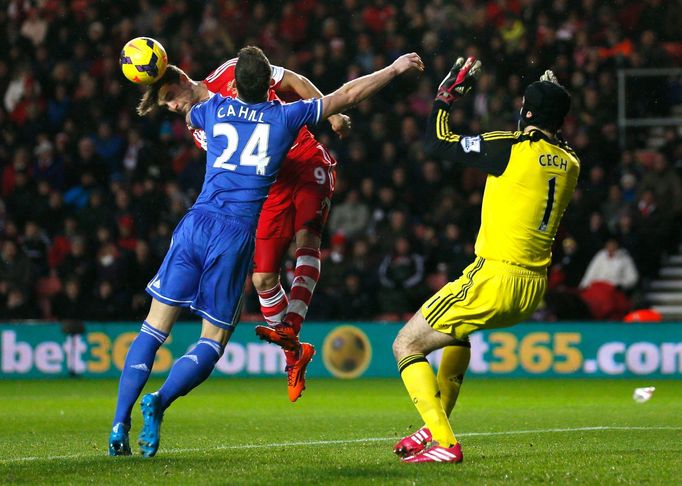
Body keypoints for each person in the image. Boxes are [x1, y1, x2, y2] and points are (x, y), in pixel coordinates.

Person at [108, 46, 424, 457]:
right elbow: (346, 94)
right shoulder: (283, 116)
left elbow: (192, 100)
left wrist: (159, 80)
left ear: (235, 85)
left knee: (153, 329)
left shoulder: (208, 112)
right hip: (235, 233)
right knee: (213, 341)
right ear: (267, 86)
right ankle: (161, 399)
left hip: (195, 225)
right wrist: (394, 68)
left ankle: (118, 423)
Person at [392, 58, 579, 463]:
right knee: (456, 333)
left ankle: (444, 441)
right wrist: (550, 100)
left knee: (405, 344)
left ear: (526, 113)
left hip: (495, 275)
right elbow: (550, 135)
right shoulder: (570, 163)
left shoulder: (508, 147)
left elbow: (436, 142)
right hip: (533, 288)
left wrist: (445, 97)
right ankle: (435, 424)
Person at [137, 57, 351, 403]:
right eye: (168, 106)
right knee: (263, 279)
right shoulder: (199, 124)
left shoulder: (231, 72)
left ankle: (289, 328)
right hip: (270, 189)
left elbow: (294, 79)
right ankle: (294, 353)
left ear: (181, 78)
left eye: (171, 98)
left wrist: (333, 113)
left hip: (305, 160)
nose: (175, 107)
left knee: (307, 238)